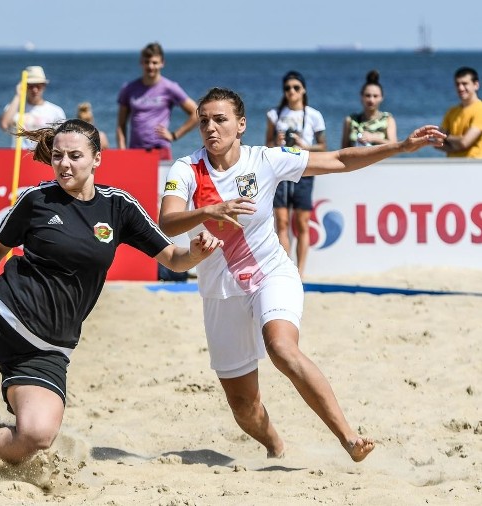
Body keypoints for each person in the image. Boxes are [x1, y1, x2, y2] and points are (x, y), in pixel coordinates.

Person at [0, 118, 223, 464]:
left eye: (75, 156)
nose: (64, 164)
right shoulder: (37, 199)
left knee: (37, 435)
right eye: (57, 156)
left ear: (97, 158)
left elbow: (175, 260)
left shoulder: (118, 207)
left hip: (50, 347)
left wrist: (194, 253)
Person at [159, 87, 444, 463]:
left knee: (282, 349)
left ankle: (349, 438)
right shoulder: (186, 168)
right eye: (204, 121)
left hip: (271, 274)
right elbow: (168, 219)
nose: (211, 128)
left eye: (220, 119)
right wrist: (210, 211)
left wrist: (399, 147)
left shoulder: (266, 159)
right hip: (220, 292)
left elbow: (340, 159)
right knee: (245, 407)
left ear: (241, 124)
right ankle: (275, 445)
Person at [264, 70, 326, 278]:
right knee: (281, 222)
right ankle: (286, 270)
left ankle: (299, 272)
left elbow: (323, 147)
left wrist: (304, 145)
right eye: (287, 88)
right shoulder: (275, 114)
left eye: (296, 88)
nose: (291, 91)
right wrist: (278, 142)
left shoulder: (314, 115)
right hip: (281, 172)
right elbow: (268, 145)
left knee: (301, 223)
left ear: (303, 90)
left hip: (304, 170)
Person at [116, 42, 199, 160]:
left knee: (164, 179)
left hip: (160, 150)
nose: (150, 66)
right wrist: (122, 151)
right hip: (134, 151)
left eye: (154, 62)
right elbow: (121, 124)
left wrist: (174, 135)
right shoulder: (128, 89)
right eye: (147, 62)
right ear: (141, 62)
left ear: (162, 63)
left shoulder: (170, 87)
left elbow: (196, 113)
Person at [0, 66, 66, 149]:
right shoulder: (14, 108)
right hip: (19, 157)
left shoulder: (56, 111)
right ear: (24, 86)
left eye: (38, 86)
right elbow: (4, 125)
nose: (35, 90)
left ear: (44, 86)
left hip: (44, 157)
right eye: (30, 86)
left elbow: (62, 139)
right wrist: (18, 96)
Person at [341, 70, 397, 148]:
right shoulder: (350, 120)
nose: (371, 100)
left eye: (375, 96)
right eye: (368, 95)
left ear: (382, 98)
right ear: (361, 97)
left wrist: (373, 138)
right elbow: (343, 150)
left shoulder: (387, 119)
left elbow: (394, 146)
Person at [437, 66, 482, 158]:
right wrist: (459, 145)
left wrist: (446, 137)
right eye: (457, 84)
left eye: (465, 84)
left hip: (475, 166)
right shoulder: (452, 111)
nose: (461, 88)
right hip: (452, 166)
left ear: (476, 85)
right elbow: (437, 142)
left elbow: (464, 142)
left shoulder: (480, 109)